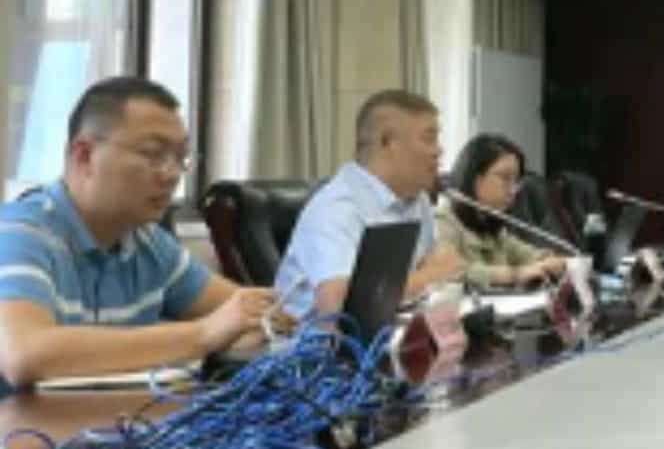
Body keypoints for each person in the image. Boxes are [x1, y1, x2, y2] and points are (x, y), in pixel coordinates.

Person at [0, 78, 273, 387]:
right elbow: (24, 354)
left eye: (181, 158)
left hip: (115, 415)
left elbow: (246, 313)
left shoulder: (149, 243)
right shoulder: (19, 234)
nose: (172, 174)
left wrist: (260, 320)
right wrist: (203, 334)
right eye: (154, 154)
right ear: (84, 155)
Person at [276, 90, 463, 321]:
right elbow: (339, 309)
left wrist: (437, 274)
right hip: (322, 341)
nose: (438, 150)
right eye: (428, 139)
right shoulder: (337, 207)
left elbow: (432, 272)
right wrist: (429, 277)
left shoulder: (416, 200)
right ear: (387, 142)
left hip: (395, 331)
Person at [436, 134, 568, 290]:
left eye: (516, 181)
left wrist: (550, 261)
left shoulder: (492, 225)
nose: (513, 190)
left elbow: (525, 254)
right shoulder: (443, 220)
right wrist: (514, 275)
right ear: (475, 178)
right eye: (505, 178)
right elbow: (448, 271)